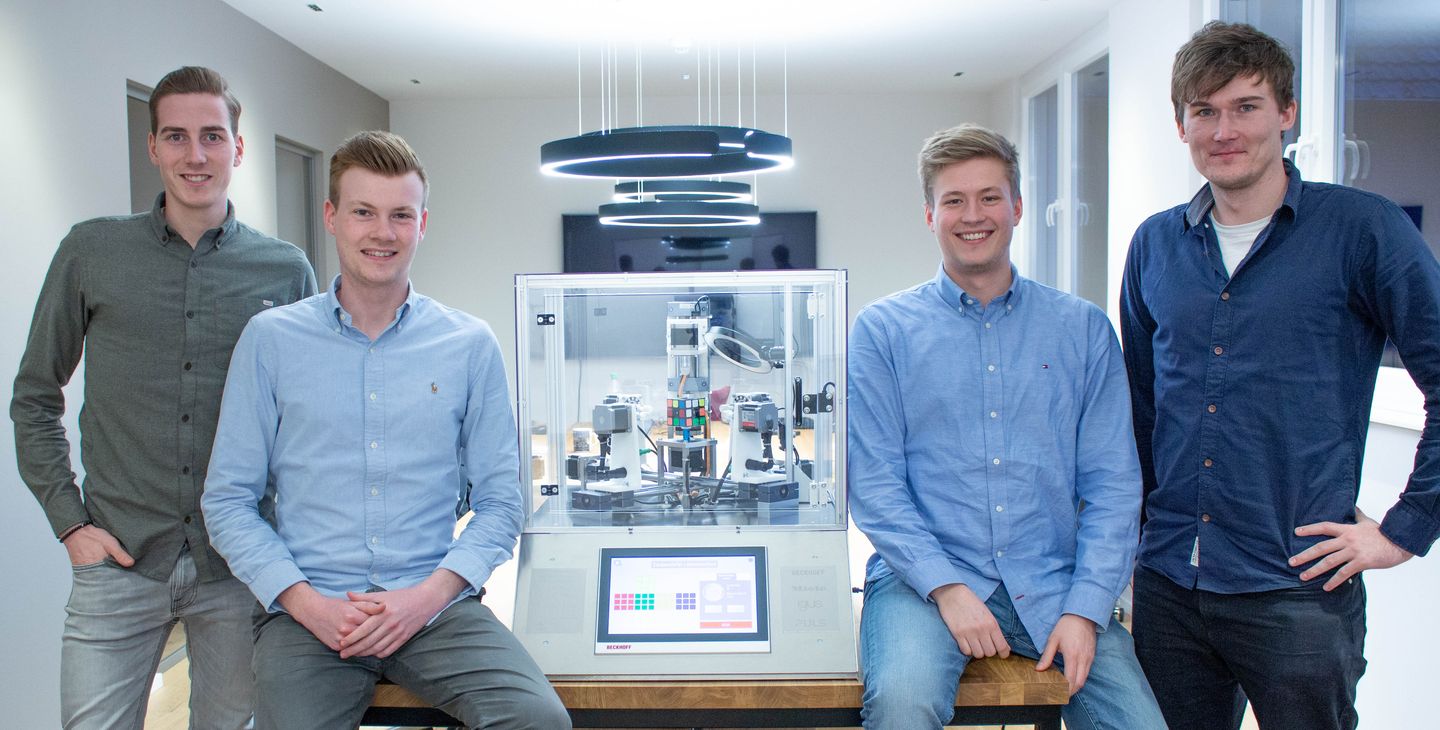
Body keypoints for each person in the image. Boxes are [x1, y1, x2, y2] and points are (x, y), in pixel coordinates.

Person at [1121, 21, 1440, 730]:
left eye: (1246, 106)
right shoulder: (1154, 246)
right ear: (1182, 126)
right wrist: (1132, 556)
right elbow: (1143, 409)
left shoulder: (1363, 230)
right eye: (1204, 111)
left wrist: (1403, 530)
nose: (1224, 129)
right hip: (1171, 584)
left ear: (1287, 113)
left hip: (1296, 590)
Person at [201, 130, 570, 729]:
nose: (383, 232)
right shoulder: (270, 342)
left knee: (538, 721)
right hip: (309, 612)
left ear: (422, 223)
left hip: (435, 609)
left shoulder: (468, 345)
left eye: (401, 215)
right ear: (332, 217)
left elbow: (503, 504)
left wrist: (423, 599)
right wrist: (308, 605)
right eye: (364, 212)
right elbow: (228, 501)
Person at [11, 66, 316, 729]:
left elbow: (307, 424)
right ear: (152, 146)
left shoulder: (285, 270)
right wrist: (70, 522)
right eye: (176, 136)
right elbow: (34, 395)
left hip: (236, 569)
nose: (194, 155)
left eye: (212, 136)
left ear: (238, 147)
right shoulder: (92, 253)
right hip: (117, 561)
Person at [848, 123, 1164, 730]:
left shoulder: (1082, 329)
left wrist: (1087, 609)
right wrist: (947, 590)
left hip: (1053, 581)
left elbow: (1114, 486)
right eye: (954, 200)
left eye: (990, 197)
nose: (974, 215)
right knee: (901, 707)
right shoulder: (883, 331)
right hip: (923, 582)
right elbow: (876, 486)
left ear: (1017, 207)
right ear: (929, 214)